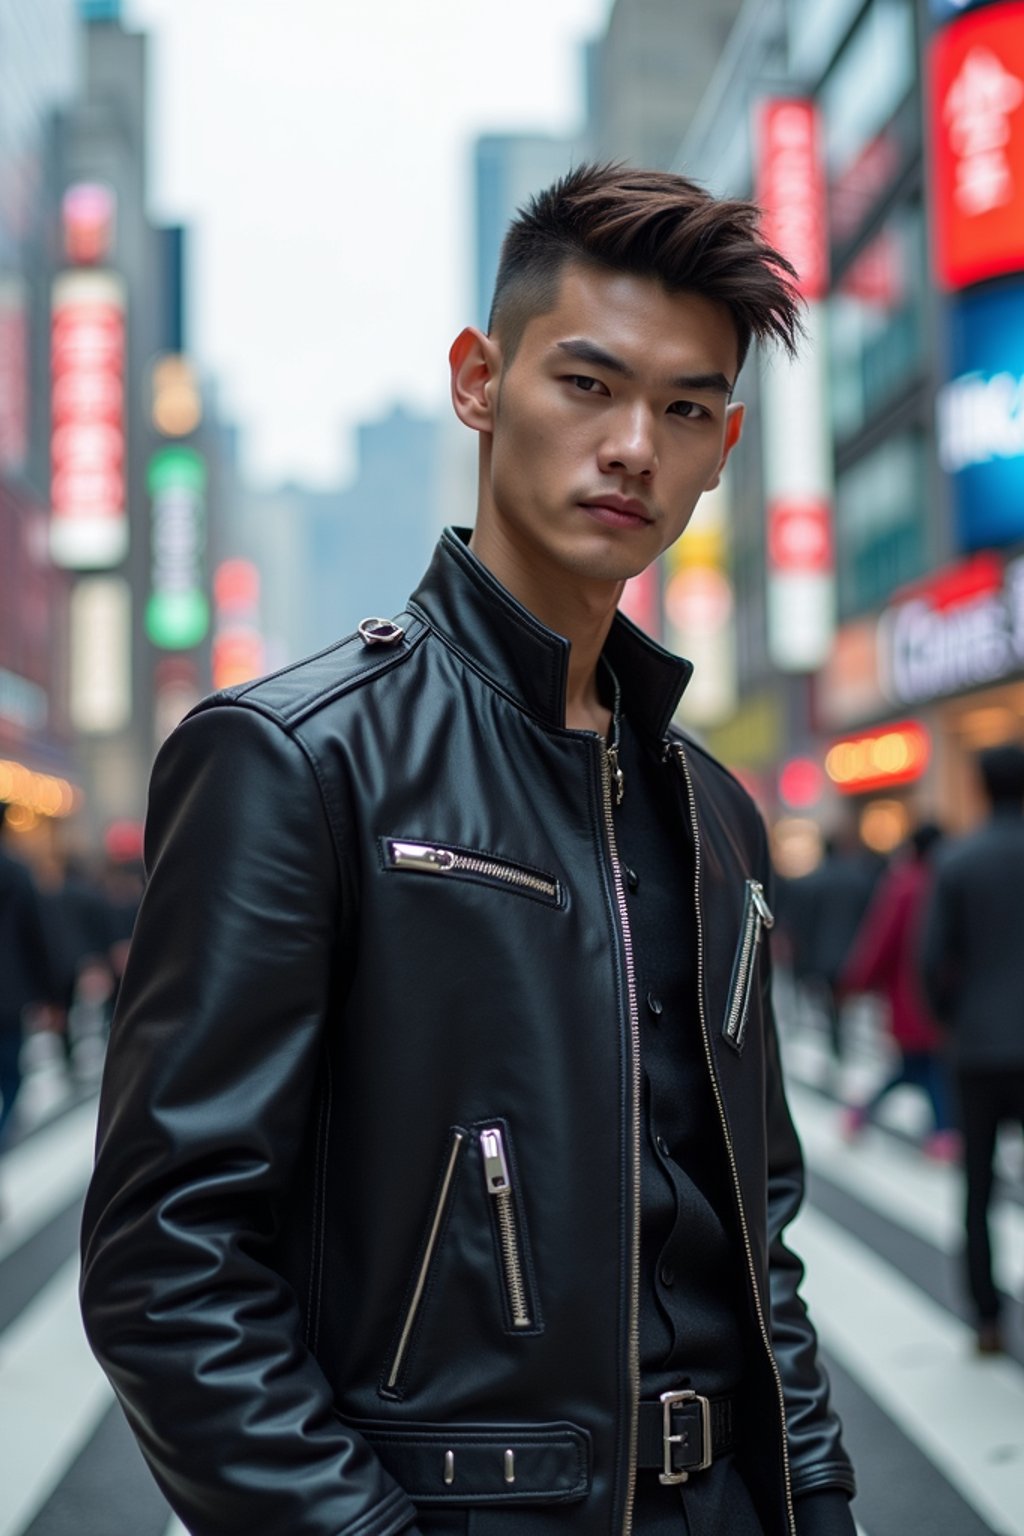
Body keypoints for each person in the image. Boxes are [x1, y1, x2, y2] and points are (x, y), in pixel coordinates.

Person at [80, 166, 857, 1536]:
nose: (634, 446)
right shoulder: (296, 759)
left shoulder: (714, 808)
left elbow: (759, 1241)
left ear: (726, 449)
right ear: (479, 382)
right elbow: (168, 1269)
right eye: (588, 385)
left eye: (684, 410)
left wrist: (820, 1499)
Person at [920, 742, 1024, 1355]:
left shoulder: (958, 862)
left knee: (978, 1187)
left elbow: (933, 961)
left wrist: (952, 1023)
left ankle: (986, 1317)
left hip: (979, 1048)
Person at [838, 821, 956, 1158]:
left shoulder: (904, 885)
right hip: (933, 994)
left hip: (907, 993)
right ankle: (943, 1132)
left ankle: (867, 1114)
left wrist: (859, 981)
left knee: (917, 1066)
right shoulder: (942, 881)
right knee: (925, 1065)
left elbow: (881, 940)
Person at [0, 802, 53, 1157]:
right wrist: (51, 994)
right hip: (9, 991)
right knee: (12, 1077)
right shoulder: (17, 872)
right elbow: (37, 935)